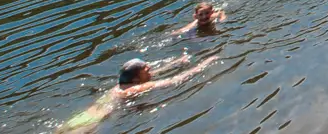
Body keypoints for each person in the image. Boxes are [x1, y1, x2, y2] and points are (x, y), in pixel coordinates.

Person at [58, 54, 218, 131]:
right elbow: (175, 80)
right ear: (136, 78)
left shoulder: (119, 87)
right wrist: (204, 64)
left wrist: (176, 63)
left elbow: (150, 75)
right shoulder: (138, 88)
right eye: (147, 70)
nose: (151, 72)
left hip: (80, 118)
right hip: (93, 124)